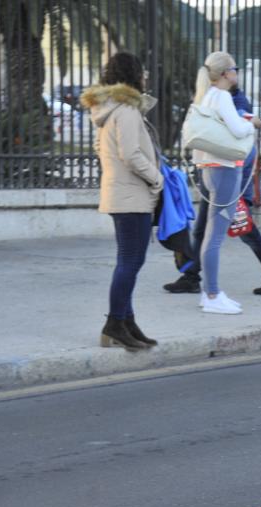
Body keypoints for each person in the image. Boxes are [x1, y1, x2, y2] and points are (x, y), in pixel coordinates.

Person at [164, 84, 261, 296]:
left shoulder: (236, 103)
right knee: (203, 229)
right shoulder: (218, 100)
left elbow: (242, 149)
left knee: (245, 230)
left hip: (233, 183)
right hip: (218, 180)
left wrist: (234, 190)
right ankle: (192, 277)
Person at [81, 52, 164, 351]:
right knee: (130, 262)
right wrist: (157, 178)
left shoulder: (108, 109)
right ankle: (115, 323)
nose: (145, 78)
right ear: (133, 75)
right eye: (142, 72)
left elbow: (100, 148)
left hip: (121, 193)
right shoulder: (126, 110)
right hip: (132, 196)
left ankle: (126, 321)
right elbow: (131, 155)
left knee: (130, 261)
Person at [190, 51, 261, 314]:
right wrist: (250, 123)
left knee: (212, 232)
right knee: (216, 236)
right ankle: (212, 294)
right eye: (235, 68)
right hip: (225, 170)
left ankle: (209, 292)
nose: (237, 72)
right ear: (225, 74)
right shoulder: (221, 96)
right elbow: (238, 129)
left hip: (212, 169)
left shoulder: (207, 95)